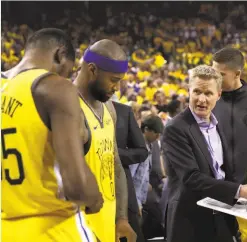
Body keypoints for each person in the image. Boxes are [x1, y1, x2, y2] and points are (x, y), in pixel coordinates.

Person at [1, 28, 103, 242]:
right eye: (67, 71)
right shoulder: (53, 86)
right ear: (60, 54)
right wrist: (94, 198)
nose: (66, 77)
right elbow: (76, 187)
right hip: (56, 228)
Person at [161, 65, 247, 242]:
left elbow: (222, 172)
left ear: (218, 95)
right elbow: (191, 177)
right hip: (189, 221)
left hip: (220, 219)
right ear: (189, 92)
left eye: (208, 93)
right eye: (197, 92)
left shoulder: (218, 124)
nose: (201, 99)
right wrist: (239, 191)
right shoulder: (175, 128)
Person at [74, 39, 136, 242]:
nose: (117, 88)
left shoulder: (109, 108)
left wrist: (122, 218)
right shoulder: (68, 108)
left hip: (108, 222)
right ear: (92, 70)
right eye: (113, 80)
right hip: (80, 226)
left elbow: (115, 164)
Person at [212, 47, 247, 242]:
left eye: (220, 75)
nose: (215, 79)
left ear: (237, 73)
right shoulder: (210, 101)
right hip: (219, 192)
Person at [113, 101, 149, 242]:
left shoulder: (123, 111)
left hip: (123, 192)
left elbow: (142, 151)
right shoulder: (74, 107)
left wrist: (114, 153)